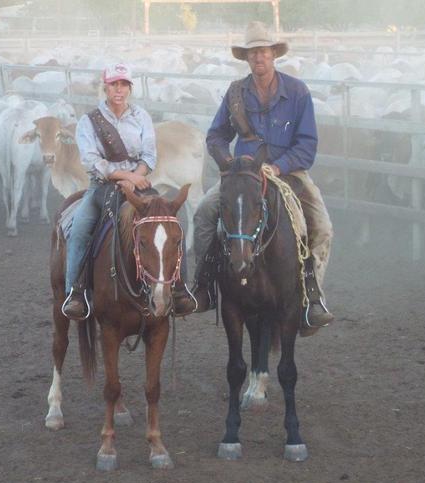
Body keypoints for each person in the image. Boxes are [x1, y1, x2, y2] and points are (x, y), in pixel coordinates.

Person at [191, 21, 334, 329]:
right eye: (253, 52)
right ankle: (203, 287)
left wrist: (278, 166)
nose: (259, 57)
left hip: (290, 173)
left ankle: (312, 297)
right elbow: (215, 136)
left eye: (264, 51)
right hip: (244, 175)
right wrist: (230, 164)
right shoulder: (235, 94)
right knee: (203, 213)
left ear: (274, 54)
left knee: (322, 227)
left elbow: (307, 143)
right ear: (246, 57)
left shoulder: (297, 92)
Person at [62, 63, 196, 320]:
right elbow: (91, 160)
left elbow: (149, 154)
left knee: (171, 224)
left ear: (130, 88)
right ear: (105, 87)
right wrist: (125, 176)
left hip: (140, 183)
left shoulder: (141, 116)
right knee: (80, 229)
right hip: (102, 186)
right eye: (114, 84)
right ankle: (75, 294)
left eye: (123, 84)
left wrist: (137, 177)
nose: (119, 89)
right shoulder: (88, 121)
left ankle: (180, 291)